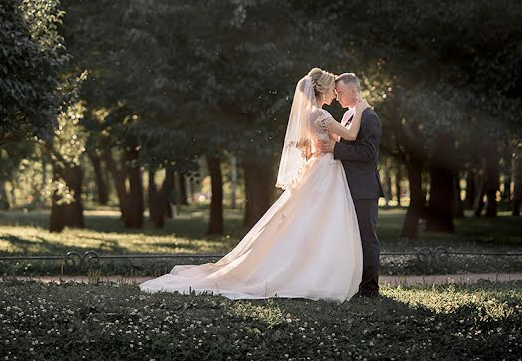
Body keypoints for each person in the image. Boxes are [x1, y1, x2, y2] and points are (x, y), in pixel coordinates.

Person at [139, 68, 369, 301]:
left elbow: (308, 145)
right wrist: (361, 109)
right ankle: (315, 272)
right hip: (325, 170)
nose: (334, 94)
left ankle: (310, 267)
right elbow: (350, 136)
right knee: (323, 219)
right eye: (332, 89)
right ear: (322, 89)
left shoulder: (309, 115)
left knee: (311, 220)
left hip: (318, 168)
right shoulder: (322, 116)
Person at [317, 73, 383, 297]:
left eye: (340, 92)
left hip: (364, 189)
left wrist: (335, 149)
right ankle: (354, 283)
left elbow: (368, 153)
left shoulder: (369, 118)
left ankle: (370, 288)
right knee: (351, 238)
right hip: (347, 187)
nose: (336, 97)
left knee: (367, 238)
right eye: (335, 93)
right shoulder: (347, 116)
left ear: (354, 91)